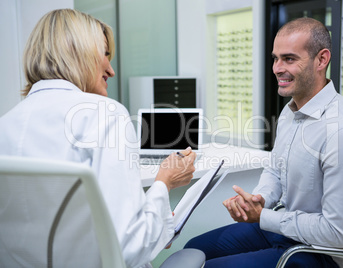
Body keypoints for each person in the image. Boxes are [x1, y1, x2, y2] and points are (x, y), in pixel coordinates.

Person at [0, 9, 196, 268]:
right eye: (105, 54)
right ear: (78, 51)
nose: (111, 71)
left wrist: (155, 222)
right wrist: (164, 183)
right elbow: (130, 250)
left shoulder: (6, 125)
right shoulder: (105, 114)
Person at [184, 17, 343, 268]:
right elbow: (275, 169)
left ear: (321, 60)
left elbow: (337, 234)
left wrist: (263, 217)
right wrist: (261, 199)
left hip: (321, 252)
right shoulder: (291, 111)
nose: (277, 68)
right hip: (285, 229)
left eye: (289, 59)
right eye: (275, 58)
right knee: (194, 249)